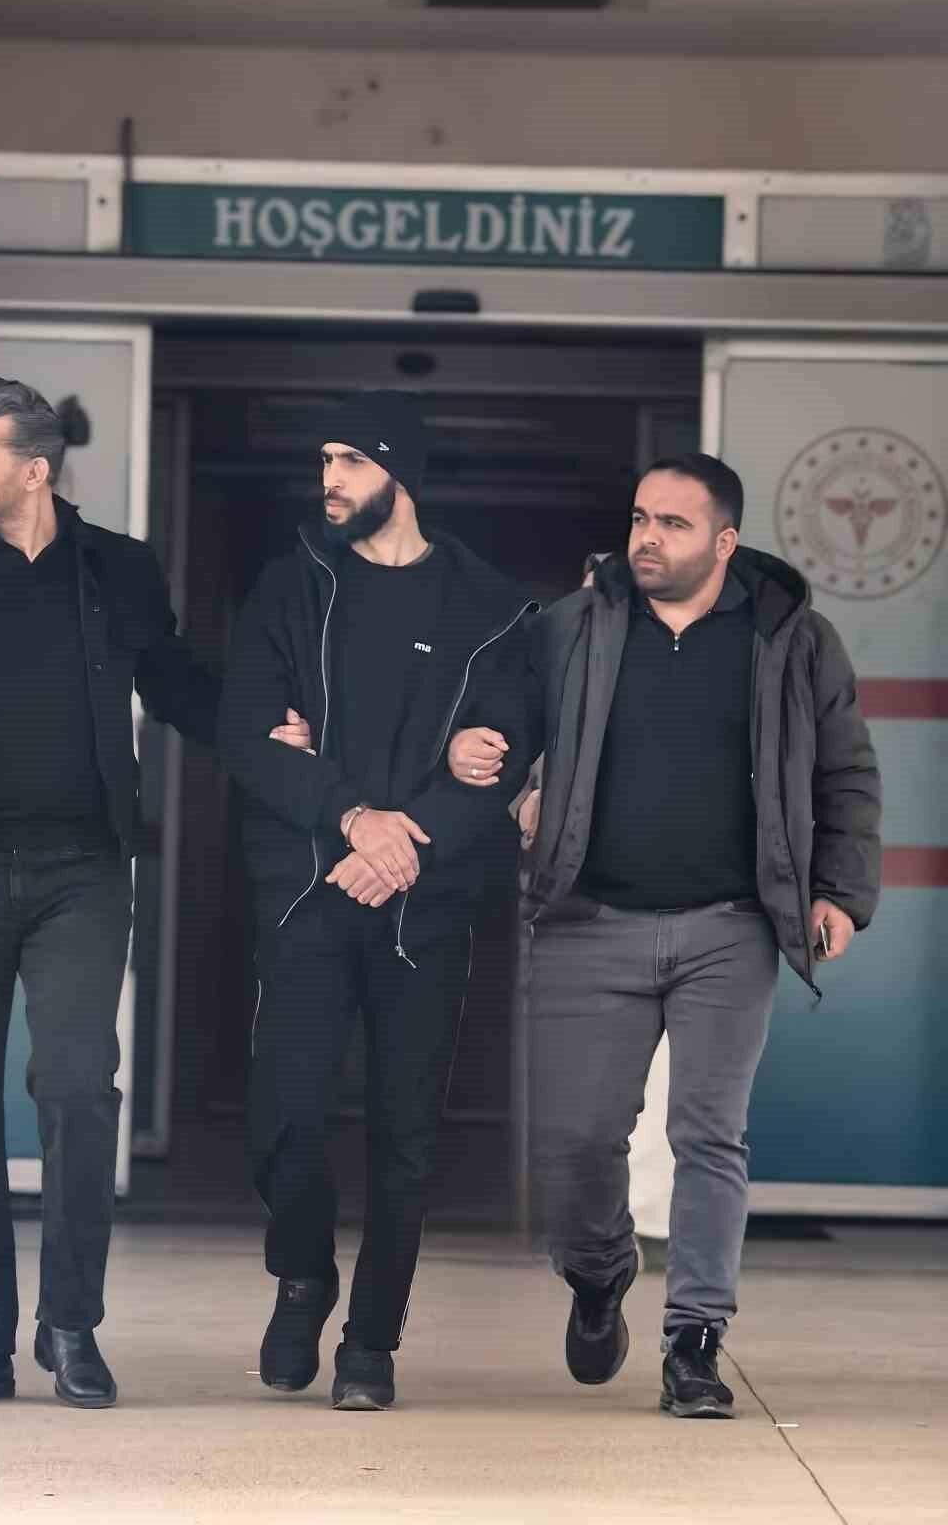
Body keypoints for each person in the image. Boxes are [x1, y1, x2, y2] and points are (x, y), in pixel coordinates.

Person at [0, 376, 310, 1409]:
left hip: (81, 874)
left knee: (80, 1092)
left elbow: (174, 683)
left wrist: (262, 731)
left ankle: (71, 1324)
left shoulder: (117, 569)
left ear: (32, 470)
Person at [448, 454, 880, 1418]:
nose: (647, 537)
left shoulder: (793, 640)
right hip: (586, 920)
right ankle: (600, 1272)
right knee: (575, 1144)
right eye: (641, 518)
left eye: (673, 524)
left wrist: (842, 893)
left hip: (732, 925)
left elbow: (846, 773)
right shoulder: (571, 625)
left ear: (724, 541)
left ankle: (695, 1341)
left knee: (709, 1136)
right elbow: (500, 726)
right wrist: (485, 759)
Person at [218, 390, 536, 1411]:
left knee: (405, 1137)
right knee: (284, 1116)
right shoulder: (290, 590)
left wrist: (404, 844)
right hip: (309, 898)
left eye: (351, 460)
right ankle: (302, 1274)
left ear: (402, 473)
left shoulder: (490, 608)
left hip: (422, 910)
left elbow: (503, 761)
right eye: (325, 460)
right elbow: (246, 735)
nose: (330, 479)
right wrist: (355, 817)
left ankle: (370, 1343)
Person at [510, 551, 675, 1258]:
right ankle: (581, 1227)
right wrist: (526, 802)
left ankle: (649, 1224)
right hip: (569, 908)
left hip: (661, 905)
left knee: (661, 1082)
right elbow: (516, 769)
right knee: (576, 1088)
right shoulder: (549, 674)